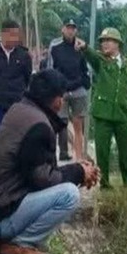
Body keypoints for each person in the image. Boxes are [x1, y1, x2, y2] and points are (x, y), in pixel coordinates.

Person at [0, 69, 100, 254]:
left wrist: (78, 170)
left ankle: (15, 242)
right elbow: (41, 179)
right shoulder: (38, 126)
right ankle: (20, 243)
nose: (63, 101)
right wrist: (79, 172)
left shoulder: (21, 109)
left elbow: (39, 170)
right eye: (61, 96)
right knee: (69, 195)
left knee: (66, 185)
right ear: (57, 100)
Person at [75, 28, 127, 189]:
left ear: (117, 43)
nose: (104, 44)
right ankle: (104, 185)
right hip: (103, 115)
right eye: (102, 41)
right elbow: (91, 55)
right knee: (102, 152)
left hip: (124, 115)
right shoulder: (101, 61)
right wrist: (84, 47)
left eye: (108, 40)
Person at [45, 18, 91, 161]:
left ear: (76, 30)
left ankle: (79, 159)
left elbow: (87, 68)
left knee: (78, 126)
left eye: (73, 28)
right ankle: (57, 154)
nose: (70, 31)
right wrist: (54, 89)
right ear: (63, 29)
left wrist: (84, 83)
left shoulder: (81, 46)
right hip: (62, 91)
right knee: (59, 123)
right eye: (68, 28)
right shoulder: (55, 46)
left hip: (78, 90)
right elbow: (50, 69)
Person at [0, 19, 32, 131]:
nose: (15, 38)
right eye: (12, 35)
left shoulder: (24, 55)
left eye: (16, 35)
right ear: (2, 34)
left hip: (18, 103)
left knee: (18, 135)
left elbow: (28, 77)